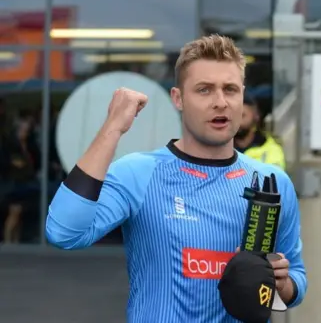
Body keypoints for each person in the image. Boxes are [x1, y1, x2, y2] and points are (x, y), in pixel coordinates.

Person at [45, 35, 307, 322]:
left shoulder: (272, 182)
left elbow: (296, 279)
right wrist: (113, 127)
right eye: (204, 90)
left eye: (230, 89)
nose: (220, 102)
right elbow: (64, 232)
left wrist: (282, 284)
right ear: (178, 98)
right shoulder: (138, 173)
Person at [234, 96, 286, 169]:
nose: (237, 121)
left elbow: (274, 178)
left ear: (256, 116)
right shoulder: (220, 148)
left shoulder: (271, 150)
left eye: (242, 116)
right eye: (234, 116)